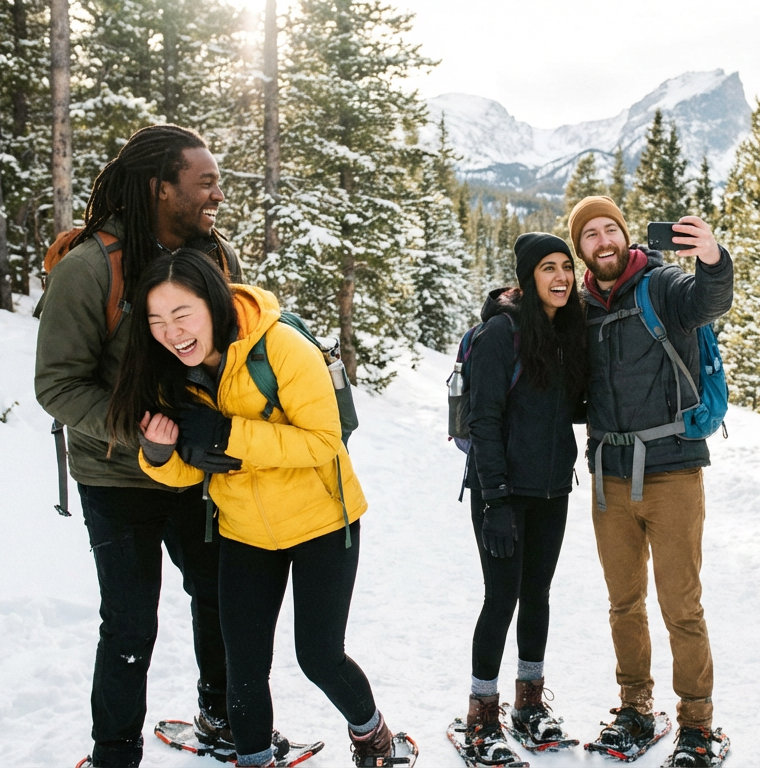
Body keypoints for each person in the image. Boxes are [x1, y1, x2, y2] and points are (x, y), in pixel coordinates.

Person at [107, 248, 407, 768]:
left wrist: (228, 434)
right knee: (243, 667)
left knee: (319, 657)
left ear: (213, 302)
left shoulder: (281, 346)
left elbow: (324, 441)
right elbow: (189, 470)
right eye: (157, 322)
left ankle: (372, 735)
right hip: (244, 531)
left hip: (322, 523)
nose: (172, 333)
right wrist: (157, 454)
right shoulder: (170, 370)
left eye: (182, 314)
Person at [34, 124, 262, 768]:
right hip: (117, 479)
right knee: (130, 621)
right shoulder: (88, 269)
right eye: (205, 183)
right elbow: (57, 385)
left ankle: (221, 720)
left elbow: (238, 354)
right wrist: (140, 431)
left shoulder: (216, 258)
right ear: (162, 188)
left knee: (219, 599)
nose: (218, 194)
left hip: (198, 474)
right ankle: (114, 754)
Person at [567, 196, 731, 767]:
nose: (603, 241)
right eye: (590, 234)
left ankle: (697, 724)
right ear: (580, 248)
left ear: (625, 234)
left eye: (609, 229)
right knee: (623, 603)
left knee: (681, 605)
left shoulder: (661, 286)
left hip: (673, 470)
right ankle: (635, 706)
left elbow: (710, 299)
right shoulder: (581, 308)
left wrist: (712, 259)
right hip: (609, 478)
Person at [457, 233, 588, 763]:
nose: (561, 277)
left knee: (538, 595)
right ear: (528, 277)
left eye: (566, 267)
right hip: (503, 494)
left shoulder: (565, 331)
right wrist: (494, 501)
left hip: (552, 489)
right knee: (500, 599)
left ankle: (529, 704)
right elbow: (484, 420)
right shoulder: (501, 332)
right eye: (548, 268)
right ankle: (481, 714)